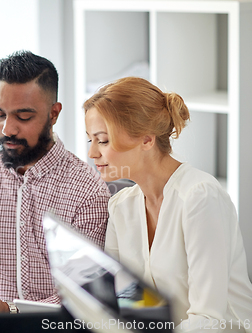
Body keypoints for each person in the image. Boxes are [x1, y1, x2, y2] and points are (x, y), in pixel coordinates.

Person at [0, 50, 111, 314]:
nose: (7, 129)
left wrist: (10, 313)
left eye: (23, 116)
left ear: (54, 113)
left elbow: (85, 296)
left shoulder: (88, 192)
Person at [84, 76, 252, 332]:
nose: (92, 153)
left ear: (147, 140)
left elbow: (208, 318)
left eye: (103, 140)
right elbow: (125, 302)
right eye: (90, 140)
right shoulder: (121, 206)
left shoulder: (200, 197)